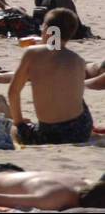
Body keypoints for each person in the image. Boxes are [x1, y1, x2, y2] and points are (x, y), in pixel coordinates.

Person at [8, 9, 93, 145]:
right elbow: (55, 55)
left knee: (14, 130)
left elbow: (13, 92)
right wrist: (45, 44)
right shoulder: (78, 60)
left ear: (47, 29)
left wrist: (18, 122)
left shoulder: (31, 54)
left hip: (51, 135)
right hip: (82, 130)